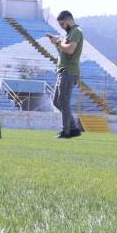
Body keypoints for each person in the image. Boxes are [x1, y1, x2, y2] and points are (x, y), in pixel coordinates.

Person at [48, 10, 84, 139]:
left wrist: (58, 42)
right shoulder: (70, 33)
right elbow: (64, 52)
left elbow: (70, 50)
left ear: (69, 20)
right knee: (57, 101)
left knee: (63, 101)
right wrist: (56, 43)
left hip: (69, 71)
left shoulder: (76, 31)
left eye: (63, 24)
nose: (62, 27)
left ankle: (66, 131)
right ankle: (73, 128)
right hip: (64, 70)